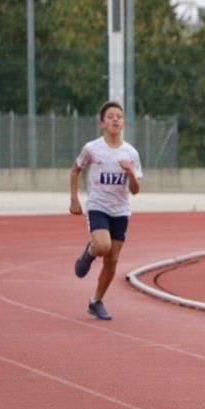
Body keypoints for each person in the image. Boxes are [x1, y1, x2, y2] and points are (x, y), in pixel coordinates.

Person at [71, 101, 143, 321]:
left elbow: (136, 190)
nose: (115, 119)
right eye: (110, 116)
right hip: (98, 207)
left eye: (119, 116)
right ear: (102, 123)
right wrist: (74, 198)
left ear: (124, 123)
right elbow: (76, 170)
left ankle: (96, 301)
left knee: (112, 261)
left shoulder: (130, 153)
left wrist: (130, 172)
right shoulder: (92, 148)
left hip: (120, 210)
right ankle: (90, 251)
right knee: (103, 246)